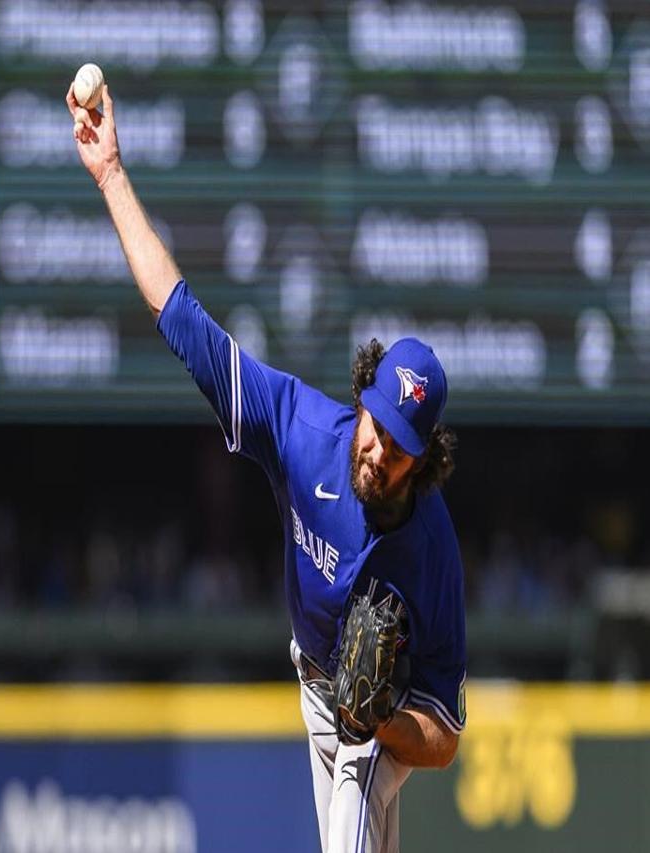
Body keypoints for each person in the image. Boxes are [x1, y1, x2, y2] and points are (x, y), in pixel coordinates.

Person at [67, 83, 466, 853]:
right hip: (311, 676)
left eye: (398, 443)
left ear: (424, 461)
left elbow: (444, 735)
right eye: (374, 422)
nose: (377, 447)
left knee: (360, 771)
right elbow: (181, 320)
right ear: (361, 398)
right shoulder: (304, 430)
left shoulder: (432, 550)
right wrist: (111, 173)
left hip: (374, 724)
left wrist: (380, 715)